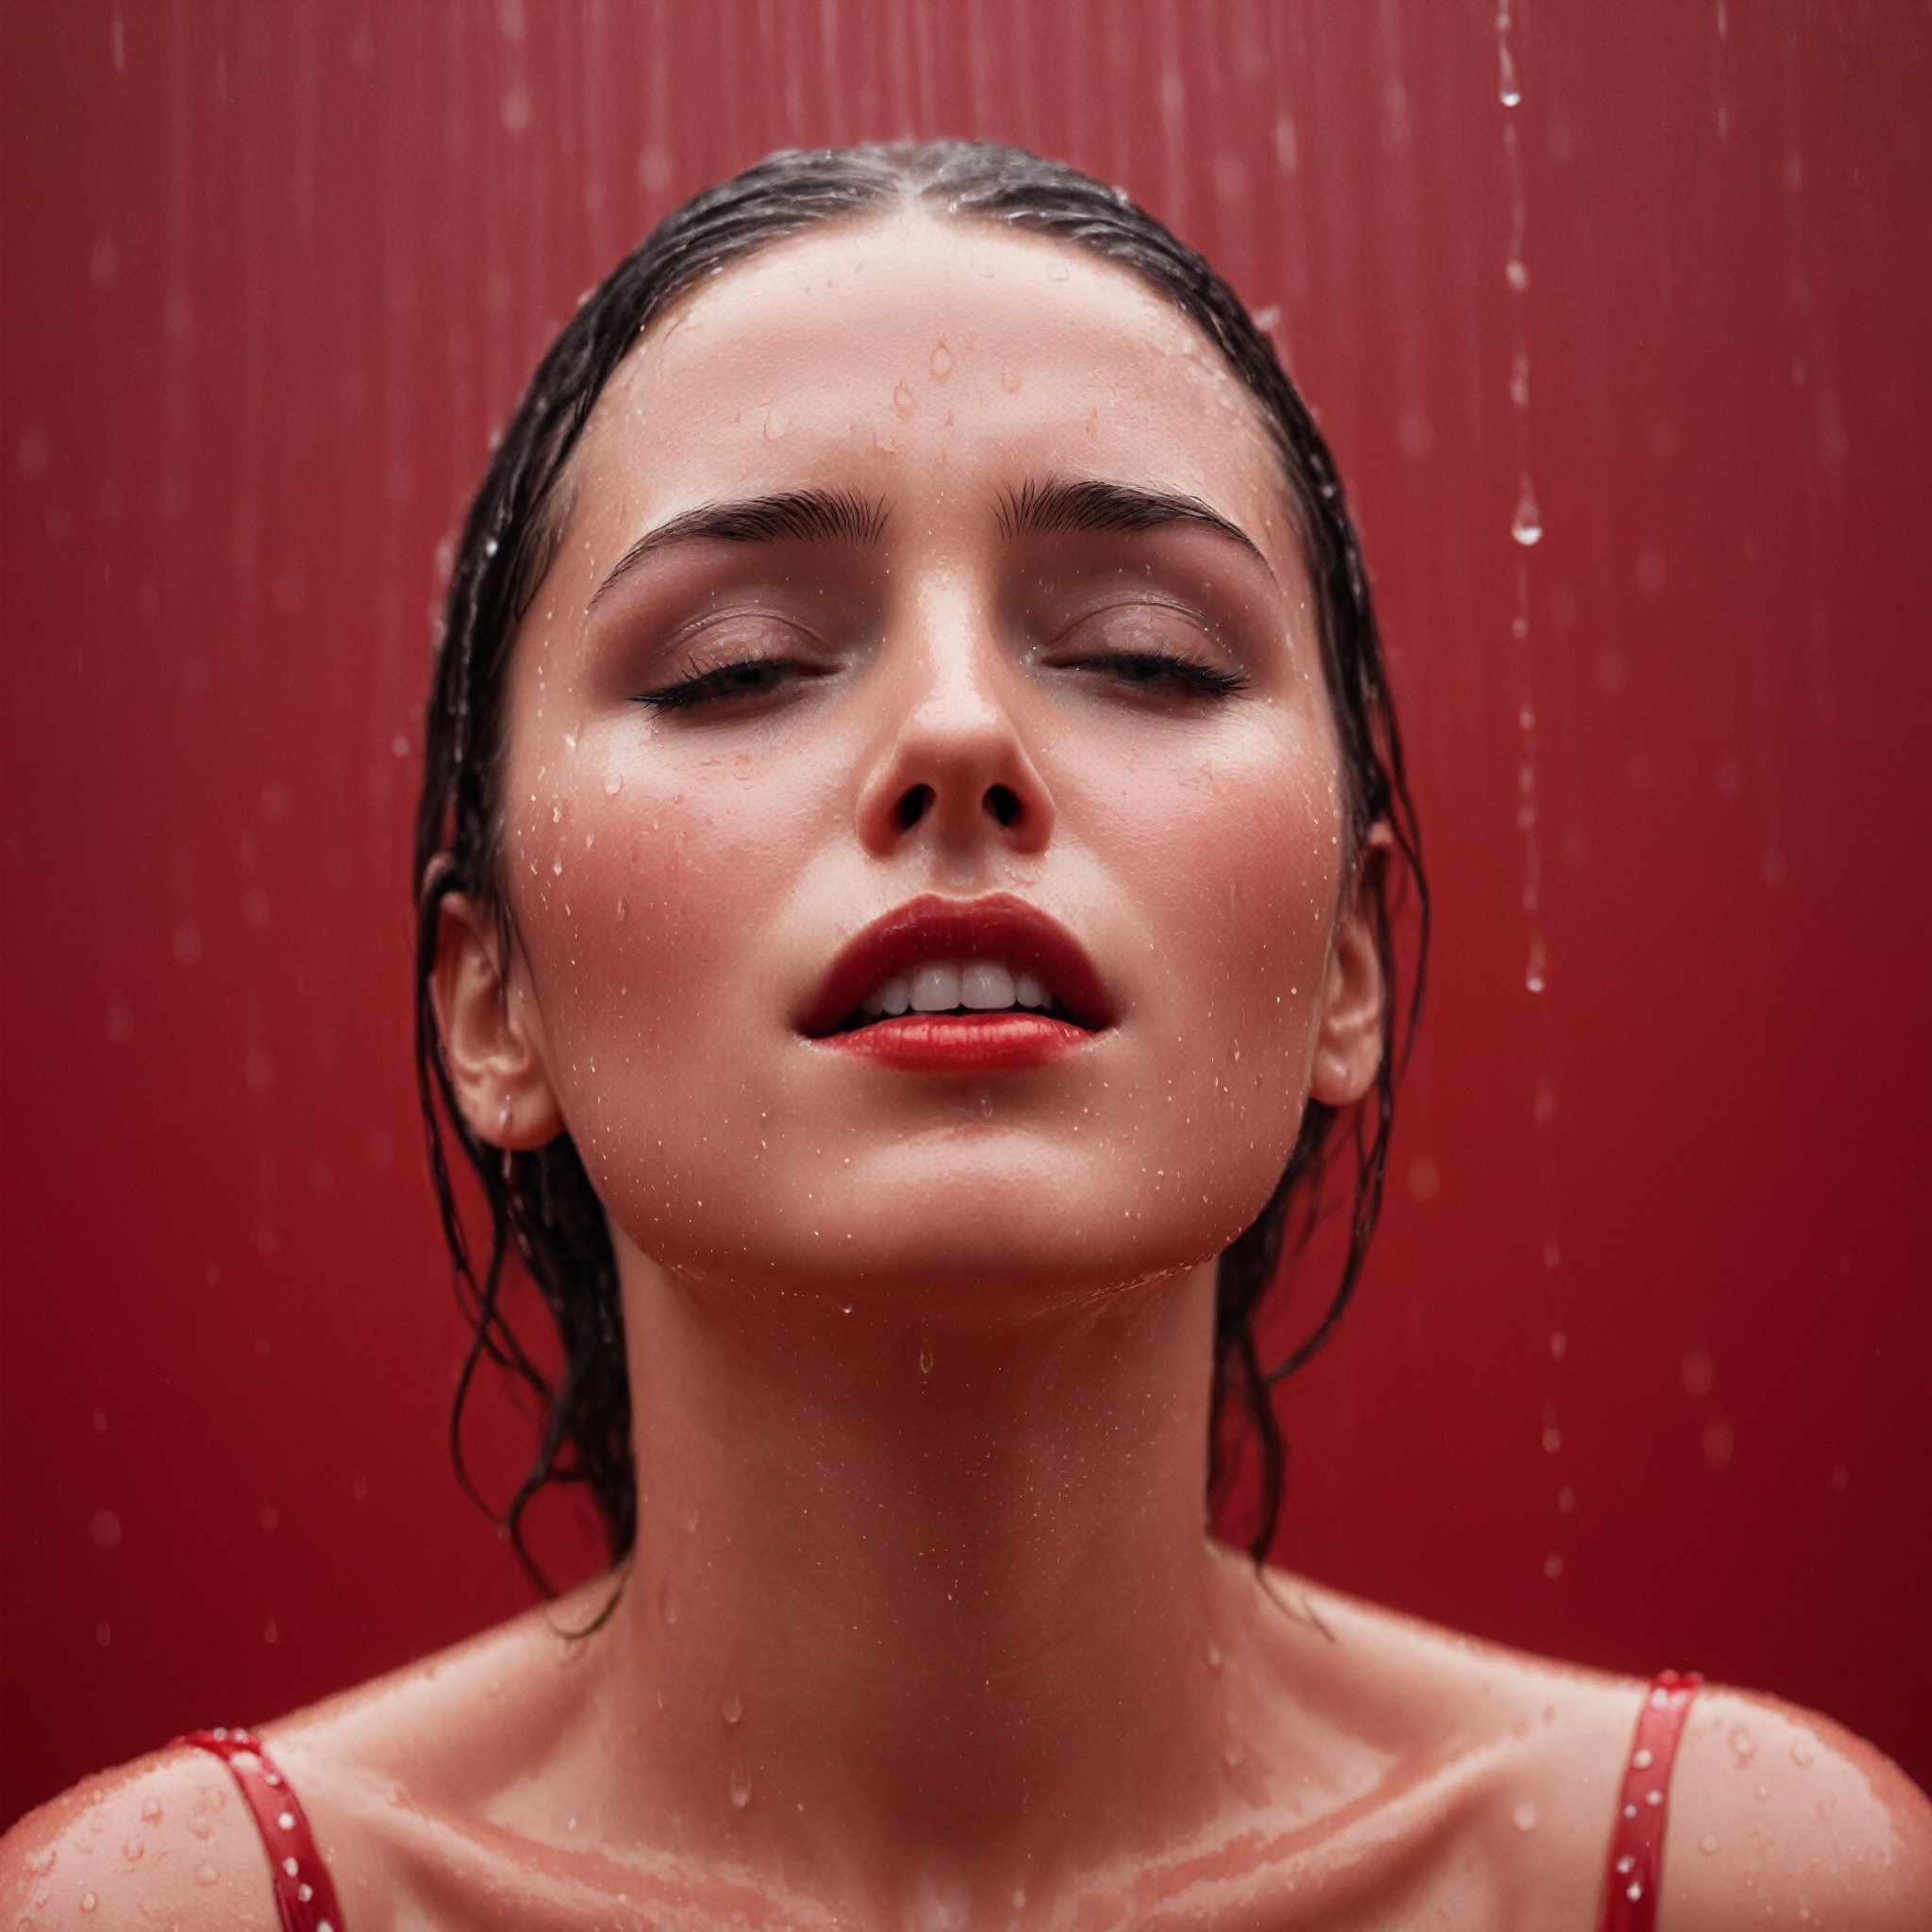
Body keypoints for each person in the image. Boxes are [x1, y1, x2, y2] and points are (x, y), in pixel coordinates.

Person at [5, 140, 1927, 1932]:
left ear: (1348, 960)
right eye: (737, 664)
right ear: (486, 1002)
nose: (956, 735)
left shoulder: (1735, 1882)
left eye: (1142, 653)